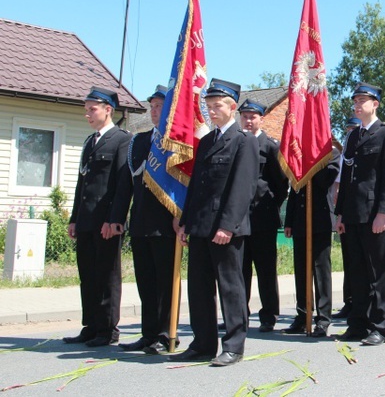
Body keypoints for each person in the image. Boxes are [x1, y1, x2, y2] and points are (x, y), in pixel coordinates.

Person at [169, 79, 259, 367]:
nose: (211, 111)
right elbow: (197, 186)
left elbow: (242, 188)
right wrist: (185, 222)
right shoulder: (207, 141)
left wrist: (227, 226)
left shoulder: (244, 141)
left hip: (225, 229)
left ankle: (233, 345)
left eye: (217, 106)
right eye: (208, 107)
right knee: (199, 287)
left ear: (232, 107)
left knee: (231, 287)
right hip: (200, 225)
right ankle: (203, 343)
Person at [64, 87, 132, 347]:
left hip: (106, 222)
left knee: (107, 276)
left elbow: (121, 184)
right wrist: (74, 218)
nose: (88, 114)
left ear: (108, 110)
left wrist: (114, 220)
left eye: (92, 109)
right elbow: (82, 185)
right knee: (88, 275)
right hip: (86, 220)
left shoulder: (122, 140)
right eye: (86, 109)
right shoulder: (89, 142)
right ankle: (90, 326)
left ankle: (107, 330)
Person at [334, 83, 385, 346]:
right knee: (357, 272)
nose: (358, 104)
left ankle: (380, 327)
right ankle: (358, 324)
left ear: (376, 105)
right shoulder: (351, 137)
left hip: (375, 214)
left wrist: (383, 213)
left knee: (380, 273)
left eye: (364, 100)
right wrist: (340, 214)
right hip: (352, 214)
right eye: (356, 100)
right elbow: (347, 178)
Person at [118, 85, 179, 353]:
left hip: (166, 225)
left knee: (165, 283)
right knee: (145, 282)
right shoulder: (139, 141)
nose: (155, 112)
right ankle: (148, 333)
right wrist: (117, 217)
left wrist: (181, 218)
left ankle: (165, 334)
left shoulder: (177, 143)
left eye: (160, 107)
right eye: (152, 107)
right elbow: (126, 185)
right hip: (141, 223)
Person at [238, 99, 289, 333]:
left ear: (261, 119)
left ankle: (269, 315)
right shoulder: (236, 142)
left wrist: (269, 205)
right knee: (240, 270)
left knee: (265, 270)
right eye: (245, 116)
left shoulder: (270, 146)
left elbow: (281, 184)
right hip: (238, 219)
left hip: (263, 218)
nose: (248, 120)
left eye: (253, 117)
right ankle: (239, 314)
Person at [282, 148, 341, 337]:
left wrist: (312, 164)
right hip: (300, 220)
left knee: (321, 270)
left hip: (320, 219)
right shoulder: (300, 153)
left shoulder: (332, 154)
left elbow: (326, 181)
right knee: (301, 270)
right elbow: (295, 188)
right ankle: (302, 316)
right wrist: (289, 220)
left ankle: (323, 319)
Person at [331, 116, 362, 319]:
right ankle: (349, 302)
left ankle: (364, 307)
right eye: (348, 129)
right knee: (349, 261)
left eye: (354, 129)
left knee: (363, 264)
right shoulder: (345, 155)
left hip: (364, 212)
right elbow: (338, 186)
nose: (350, 132)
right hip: (347, 212)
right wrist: (339, 213)